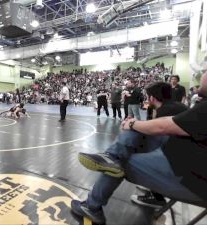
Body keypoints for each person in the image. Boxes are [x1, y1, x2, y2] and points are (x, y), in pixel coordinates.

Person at [71, 73, 207, 224]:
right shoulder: (180, 106)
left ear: (152, 98)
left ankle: (92, 206)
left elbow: (163, 126)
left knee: (118, 164)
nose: (203, 74)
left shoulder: (173, 110)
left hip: (189, 177)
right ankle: (112, 157)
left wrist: (131, 124)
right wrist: (136, 125)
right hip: (186, 159)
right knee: (137, 134)